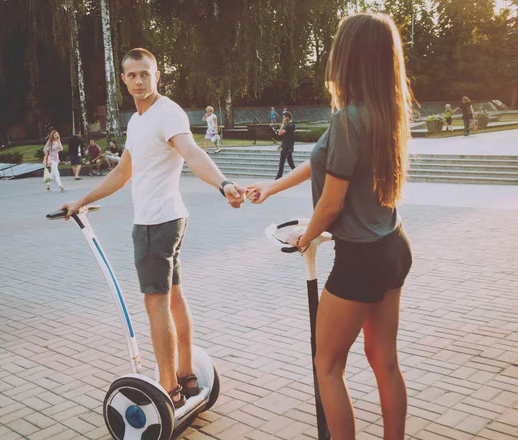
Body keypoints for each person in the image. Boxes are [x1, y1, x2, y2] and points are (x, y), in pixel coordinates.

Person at [248, 13, 413, 440]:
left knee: (327, 365)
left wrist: (304, 237)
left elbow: (332, 202)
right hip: (394, 246)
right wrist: (273, 187)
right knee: (384, 361)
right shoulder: (387, 111)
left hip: (361, 259)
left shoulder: (347, 119)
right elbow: (322, 160)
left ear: (349, 57)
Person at [60, 47, 245, 409]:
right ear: (124, 79)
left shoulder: (167, 113)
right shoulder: (137, 120)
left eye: (145, 73)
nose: (139, 81)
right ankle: (187, 376)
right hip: (165, 220)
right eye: (132, 75)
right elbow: (122, 172)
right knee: (173, 297)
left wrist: (223, 185)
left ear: (157, 74)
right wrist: (81, 201)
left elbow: (192, 153)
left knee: (155, 303)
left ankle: (169, 387)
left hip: (157, 224)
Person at [275, 111, 296, 179]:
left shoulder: (289, 126)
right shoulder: (291, 125)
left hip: (287, 148)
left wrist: (282, 124)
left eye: (284, 118)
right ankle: (297, 176)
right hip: (288, 146)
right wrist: (281, 145)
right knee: (291, 163)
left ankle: (278, 178)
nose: (283, 119)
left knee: (281, 163)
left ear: (287, 118)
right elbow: (288, 137)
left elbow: (280, 133)